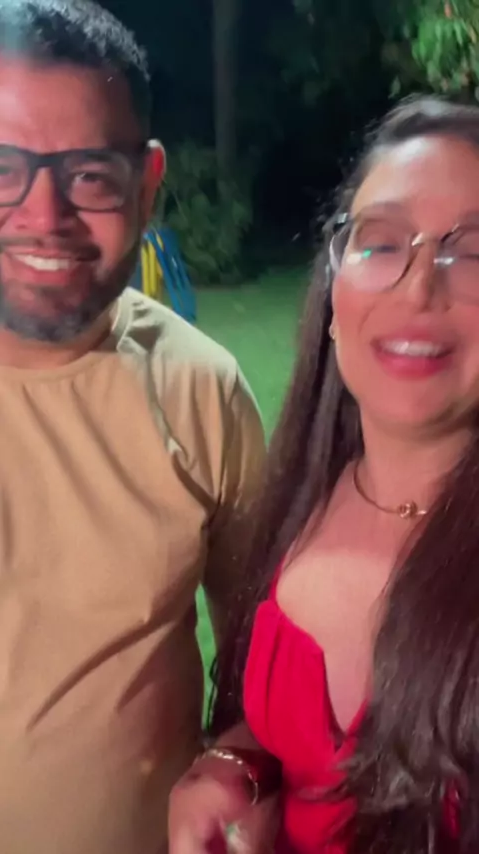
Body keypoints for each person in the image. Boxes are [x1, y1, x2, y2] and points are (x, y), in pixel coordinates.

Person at [169, 95, 479, 854]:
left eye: (473, 253)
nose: (418, 287)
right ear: (335, 296)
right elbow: (289, 738)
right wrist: (235, 766)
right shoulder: (306, 491)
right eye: (382, 242)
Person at [0, 2, 265, 853]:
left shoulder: (198, 391)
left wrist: (239, 760)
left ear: (146, 185)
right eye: (2, 167)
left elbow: (267, 655)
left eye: (89, 175)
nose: (45, 215)